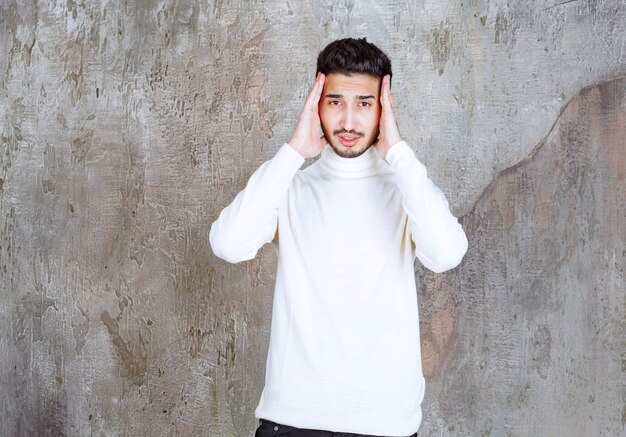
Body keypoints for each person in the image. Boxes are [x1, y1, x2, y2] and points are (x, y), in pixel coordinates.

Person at [210, 38, 468, 437]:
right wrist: (295, 149)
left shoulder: (406, 190)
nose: (348, 121)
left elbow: (447, 253)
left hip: (385, 424)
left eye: (364, 103)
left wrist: (397, 150)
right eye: (335, 102)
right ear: (317, 104)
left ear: (385, 106)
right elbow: (228, 243)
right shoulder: (290, 188)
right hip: (293, 422)